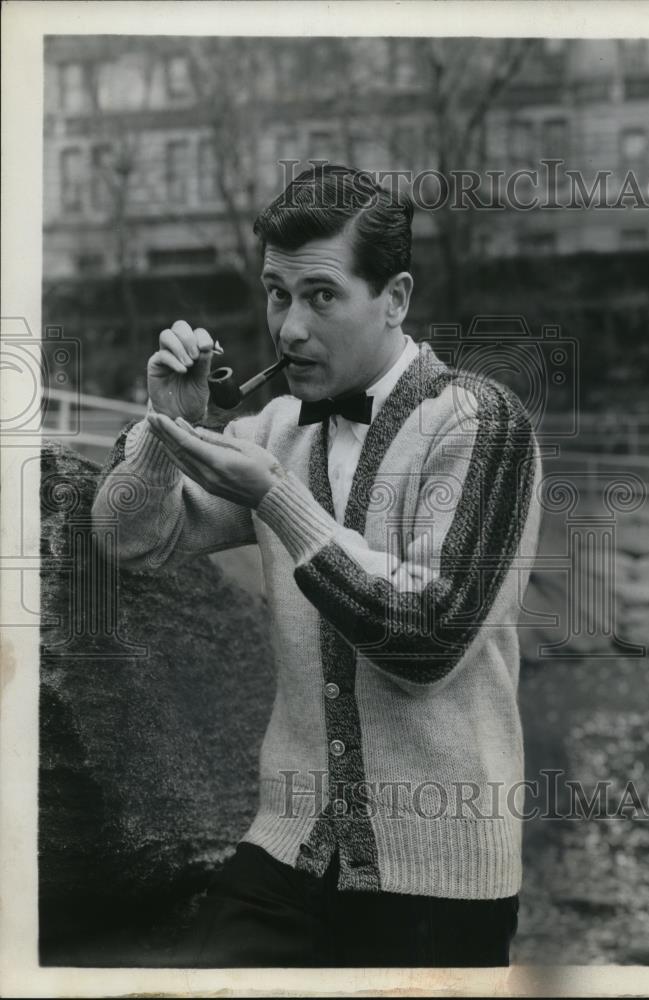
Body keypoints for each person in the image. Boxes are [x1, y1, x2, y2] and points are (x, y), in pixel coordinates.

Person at [91, 164, 543, 968]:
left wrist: (278, 500)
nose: (289, 329)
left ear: (395, 298)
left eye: (321, 296)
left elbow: (426, 643)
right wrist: (165, 430)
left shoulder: (482, 424)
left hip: (441, 881)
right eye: (276, 294)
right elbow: (128, 540)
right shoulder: (274, 429)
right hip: (287, 850)